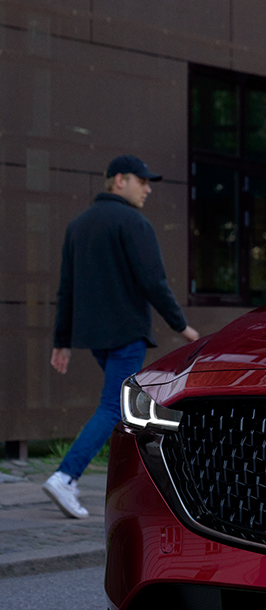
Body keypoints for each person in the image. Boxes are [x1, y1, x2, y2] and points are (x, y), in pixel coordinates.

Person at [43, 155, 199, 518]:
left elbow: (66, 289)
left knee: (127, 409)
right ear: (119, 181)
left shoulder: (78, 226)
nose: (147, 189)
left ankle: (138, 482)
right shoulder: (133, 222)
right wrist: (182, 327)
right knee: (115, 406)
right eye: (142, 182)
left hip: (95, 335)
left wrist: (61, 340)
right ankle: (65, 476)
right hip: (126, 333)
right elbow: (153, 282)